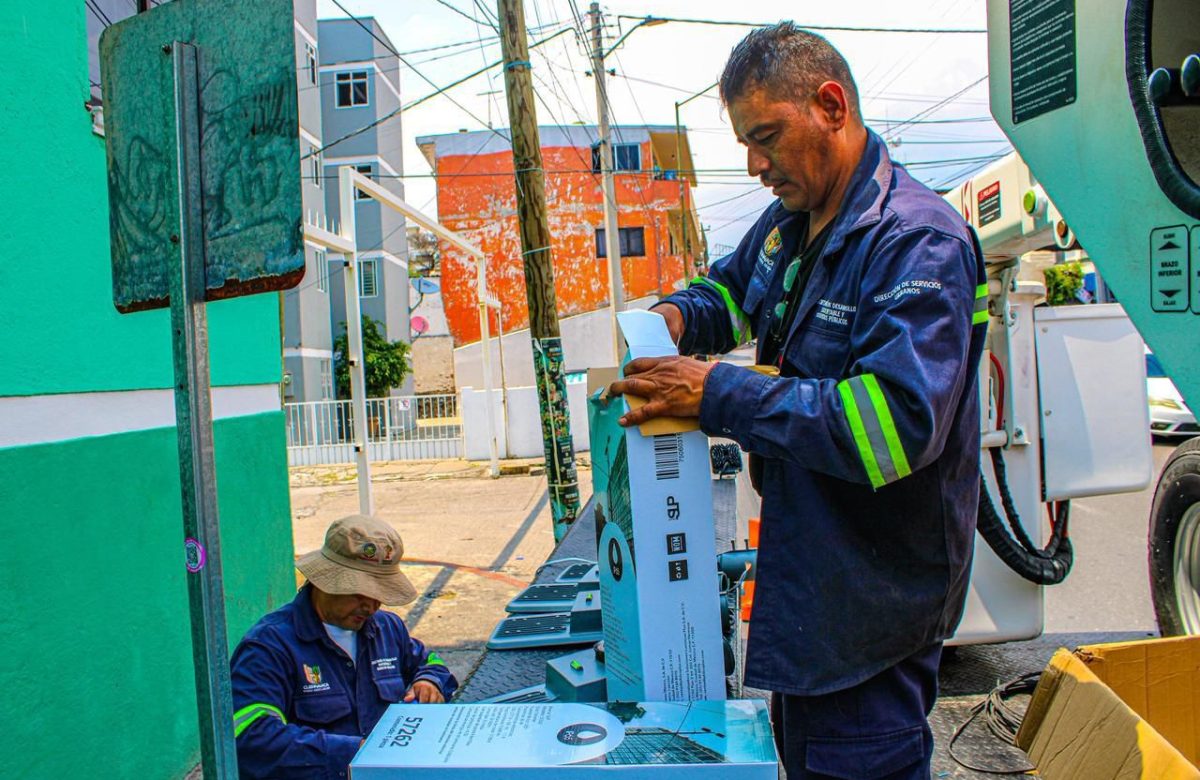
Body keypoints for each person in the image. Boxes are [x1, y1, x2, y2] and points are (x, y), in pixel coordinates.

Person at [610, 23, 986, 779]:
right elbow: (730, 290)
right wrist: (672, 319)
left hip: (869, 615)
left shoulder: (917, 243)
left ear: (831, 106)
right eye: (746, 143)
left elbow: (893, 430)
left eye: (767, 137)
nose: (755, 165)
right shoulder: (795, 221)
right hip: (815, 597)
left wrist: (717, 391)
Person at [230, 515, 457, 778]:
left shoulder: (387, 628)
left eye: (379, 594)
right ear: (324, 580)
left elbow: (430, 662)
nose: (371, 606)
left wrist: (430, 681)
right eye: (359, 593)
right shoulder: (269, 647)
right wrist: (353, 754)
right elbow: (251, 738)